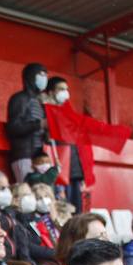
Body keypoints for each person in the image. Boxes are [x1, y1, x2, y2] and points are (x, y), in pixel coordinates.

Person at [43, 78, 86, 210]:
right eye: (61, 89)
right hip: (59, 167)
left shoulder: (67, 113)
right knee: (62, 209)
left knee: (76, 210)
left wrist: (82, 172)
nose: (65, 93)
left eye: (66, 89)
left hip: (74, 171)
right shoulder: (45, 110)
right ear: (50, 92)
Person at [5, 62, 48, 183]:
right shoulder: (20, 98)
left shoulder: (40, 103)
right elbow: (12, 128)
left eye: (46, 75)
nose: (44, 78)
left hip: (40, 158)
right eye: (41, 74)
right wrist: (39, 125)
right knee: (27, 192)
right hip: (24, 155)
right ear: (30, 76)